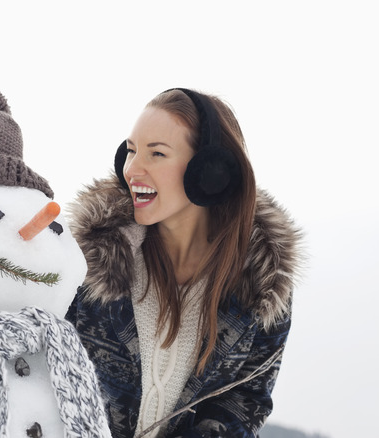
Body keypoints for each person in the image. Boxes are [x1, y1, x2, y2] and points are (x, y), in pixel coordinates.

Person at [65, 88, 303, 437]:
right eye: (131, 151)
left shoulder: (262, 284)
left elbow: (246, 401)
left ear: (209, 173)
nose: (132, 169)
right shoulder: (88, 263)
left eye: (157, 153)